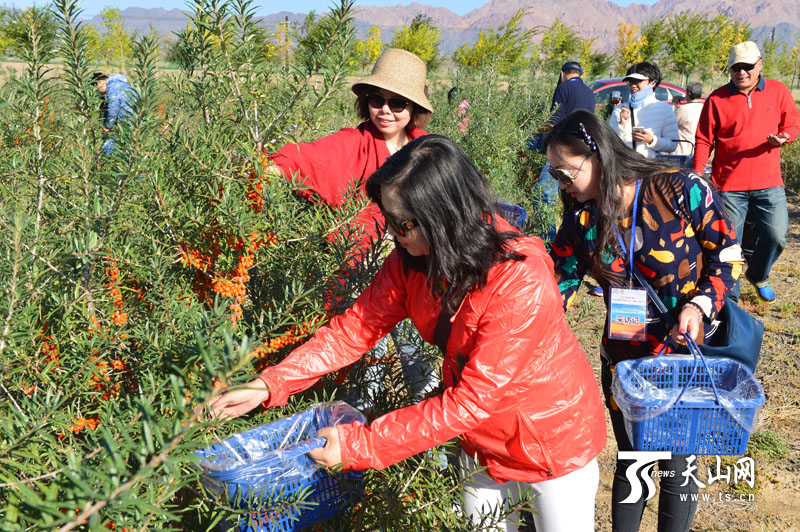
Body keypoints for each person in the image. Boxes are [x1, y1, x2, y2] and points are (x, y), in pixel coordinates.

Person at [212, 134, 607, 532]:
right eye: (388, 218)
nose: (393, 233)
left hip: (550, 440)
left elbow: (472, 400)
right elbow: (354, 329)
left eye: (403, 223)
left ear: (444, 215)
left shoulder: (519, 279)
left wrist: (360, 445)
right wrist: (270, 384)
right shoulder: (414, 260)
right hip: (478, 441)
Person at [546, 110, 744, 532]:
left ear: (597, 157)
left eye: (566, 174)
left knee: (678, 464)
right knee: (633, 460)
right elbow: (558, 281)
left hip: (684, 355)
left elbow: (727, 257)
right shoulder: (583, 217)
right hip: (626, 360)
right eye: (555, 176)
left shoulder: (678, 189)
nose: (561, 185)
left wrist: (700, 304)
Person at [263, 48, 435, 409]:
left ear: (413, 107)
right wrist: (264, 172)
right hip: (367, 268)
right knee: (368, 348)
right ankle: (360, 421)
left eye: (398, 102)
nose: (385, 110)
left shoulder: (426, 150)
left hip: (420, 265)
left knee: (418, 349)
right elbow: (298, 158)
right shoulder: (352, 143)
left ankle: (436, 424)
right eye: (377, 99)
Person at [693, 41, 799, 303]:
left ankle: (759, 274)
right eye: (736, 68)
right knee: (730, 247)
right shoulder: (717, 98)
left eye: (747, 67)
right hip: (728, 186)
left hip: (768, 183)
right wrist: (696, 175)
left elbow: (792, 124)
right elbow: (704, 139)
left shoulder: (778, 91)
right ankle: (731, 302)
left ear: (760, 65)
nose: (742, 72)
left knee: (775, 236)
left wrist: (784, 137)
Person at [531, 61, 596, 242]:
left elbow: (555, 119)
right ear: (580, 74)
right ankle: (576, 239)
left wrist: (538, 131)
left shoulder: (563, 88)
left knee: (543, 192)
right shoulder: (590, 92)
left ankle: (548, 239)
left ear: (562, 74)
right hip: (582, 149)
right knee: (573, 196)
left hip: (563, 148)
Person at [610, 62, 679, 159]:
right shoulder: (620, 109)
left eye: (638, 81)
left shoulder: (664, 109)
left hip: (650, 168)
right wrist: (621, 125)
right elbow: (610, 141)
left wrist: (651, 140)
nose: (633, 85)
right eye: (630, 81)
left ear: (653, 83)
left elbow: (672, 145)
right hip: (624, 167)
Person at [93, 72, 136, 153]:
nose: (99, 92)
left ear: (99, 82)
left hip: (127, 119)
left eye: (96, 87)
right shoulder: (121, 84)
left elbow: (113, 108)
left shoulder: (112, 88)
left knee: (114, 144)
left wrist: (107, 126)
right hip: (135, 117)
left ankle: (109, 159)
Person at [674, 81, 704, 157]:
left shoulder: (683, 109)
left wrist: (674, 104)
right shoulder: (704, 108)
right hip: (698, 150)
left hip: (682, 151)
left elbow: (670, 122)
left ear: (689, 93)